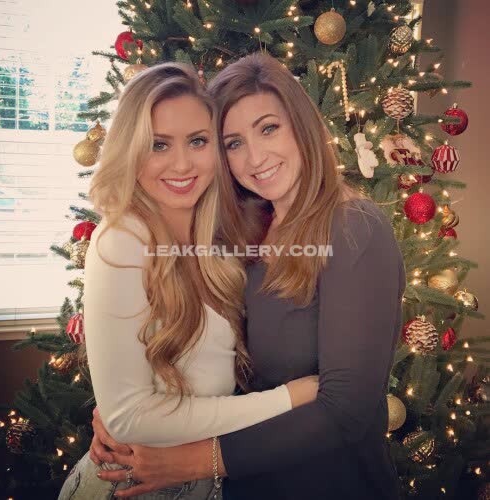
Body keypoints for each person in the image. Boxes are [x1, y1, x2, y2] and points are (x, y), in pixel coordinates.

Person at [94, 53, 406, 500]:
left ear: (301, 125)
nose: (256, 157)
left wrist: (193, 460)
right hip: (245, 485)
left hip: (330, 483)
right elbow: (221, 366)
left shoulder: (354, 227)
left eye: (268, 128)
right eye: (233, 143)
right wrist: (126, 414)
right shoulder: (244, 230)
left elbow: (346, 410)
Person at [58, 60, 319, 500]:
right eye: (158, 144)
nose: (181, 164)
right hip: (129, 486)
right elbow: (129, 419)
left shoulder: (221, 236)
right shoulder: (121, 240)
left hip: (208, 483)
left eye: (198, 141)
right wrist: (288, 399)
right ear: (130, 150)